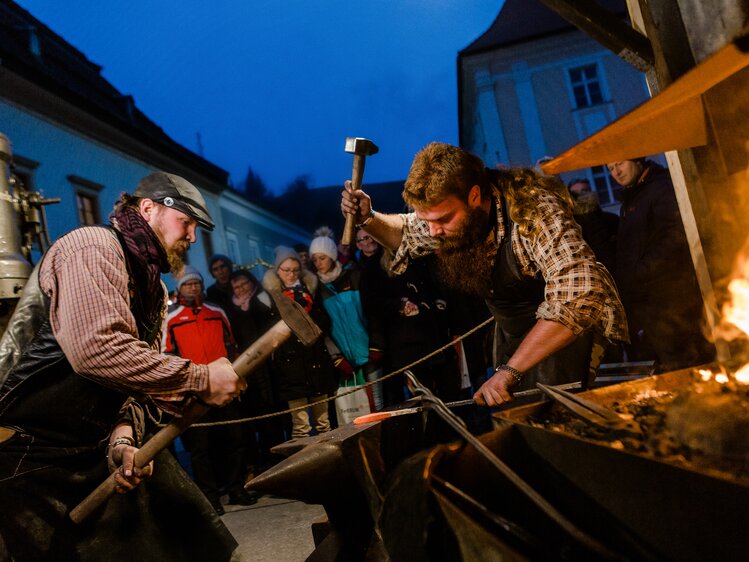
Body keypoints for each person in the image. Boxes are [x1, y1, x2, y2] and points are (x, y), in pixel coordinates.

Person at [0, 171, 245, 560]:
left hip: (92, 448)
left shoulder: (153, 287)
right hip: (26, 455)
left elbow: (136, 379)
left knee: (199, 543)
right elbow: (97, 350)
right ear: (148, 208)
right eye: (187, 222)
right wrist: (198, 377)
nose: (192, 237)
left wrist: (124, 439)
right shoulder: (91, 247)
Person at [341, 142, 627, 407]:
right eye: (427, 221)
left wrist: (510, 370)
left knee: (568, 432)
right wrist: (368, 218)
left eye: (441, 220)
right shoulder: (451, 216)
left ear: (474, 196)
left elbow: (577, 296)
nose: (433, 232)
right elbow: (405, 232)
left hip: (572, 338)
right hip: (514, 339)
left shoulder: (533, 211)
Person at [163, 266, 258, 514]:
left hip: (223, 386)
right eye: (187, 284)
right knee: (200, 448)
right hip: (194, 392)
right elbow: (168, 356)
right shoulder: (171, 318)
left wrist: (236, 377)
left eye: (196, 283)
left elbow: (231, 345)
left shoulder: (216, 312)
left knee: (235, 439)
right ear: (180, 288)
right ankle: (210, 496)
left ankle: (237, 488)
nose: (193, 287)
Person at [608, 158, 715, 371]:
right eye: (610, 169)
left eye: (620, 164)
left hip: (672, 299)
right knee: (671, 366)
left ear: (637, 159)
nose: (616, 172)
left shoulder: (659, 188)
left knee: (688, 365)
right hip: (651, 304)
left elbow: (675, 236)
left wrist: (642, 271)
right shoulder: (633, 196)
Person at [261, 246, 337, 438]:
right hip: (290, 366)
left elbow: (325, 320)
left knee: (323, 423)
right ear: (277, 270)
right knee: (301, 426)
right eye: (286, 270)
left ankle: (328, 463)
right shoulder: (269, 297)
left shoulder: (311, 288)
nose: (291, 274)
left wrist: (311, 315)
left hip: (316, 360)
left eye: (295, 269)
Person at [310, 227, 384, 410]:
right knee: (356, 409)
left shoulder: (354, 276)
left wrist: (376, 344)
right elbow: (323, 329)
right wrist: (336, 357)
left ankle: (383, 438)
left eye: (322, 258)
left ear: (332, 256)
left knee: (378, 402)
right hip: (345, 358)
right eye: (315, 259)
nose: (318, 263)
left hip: (368, 350)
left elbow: (373, 312)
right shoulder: (317, 290)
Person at [225, 269, 287, 475]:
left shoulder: (262, 298)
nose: (241, 289)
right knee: (255, 418)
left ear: (251, 282)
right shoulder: (230, 308)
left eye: (244, 284)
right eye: (236, 286)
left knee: (274, 415)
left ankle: (278, 460)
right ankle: (262, 462)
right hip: (247, 368)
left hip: (268, 366)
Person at [567, 178, 618, 274]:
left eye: (584, 191)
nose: (581, 195)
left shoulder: (611, 220)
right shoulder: (571, 227)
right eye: (575, 193)